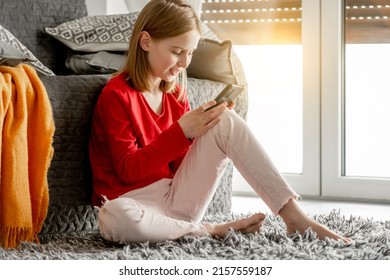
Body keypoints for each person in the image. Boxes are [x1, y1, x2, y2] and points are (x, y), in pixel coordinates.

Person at [89, 0, 350, 244]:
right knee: (114, 215)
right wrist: (182, 132)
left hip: (178, 202)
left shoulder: (176, 96)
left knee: (224, 119)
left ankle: (295, 218)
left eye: (189, 53)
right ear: (145, 42)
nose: (184, 62)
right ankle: (213, 229)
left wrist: (202, 130)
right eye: (176, 51)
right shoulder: (116, 96)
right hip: (134, 206)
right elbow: (127, 170)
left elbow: (182, 168)